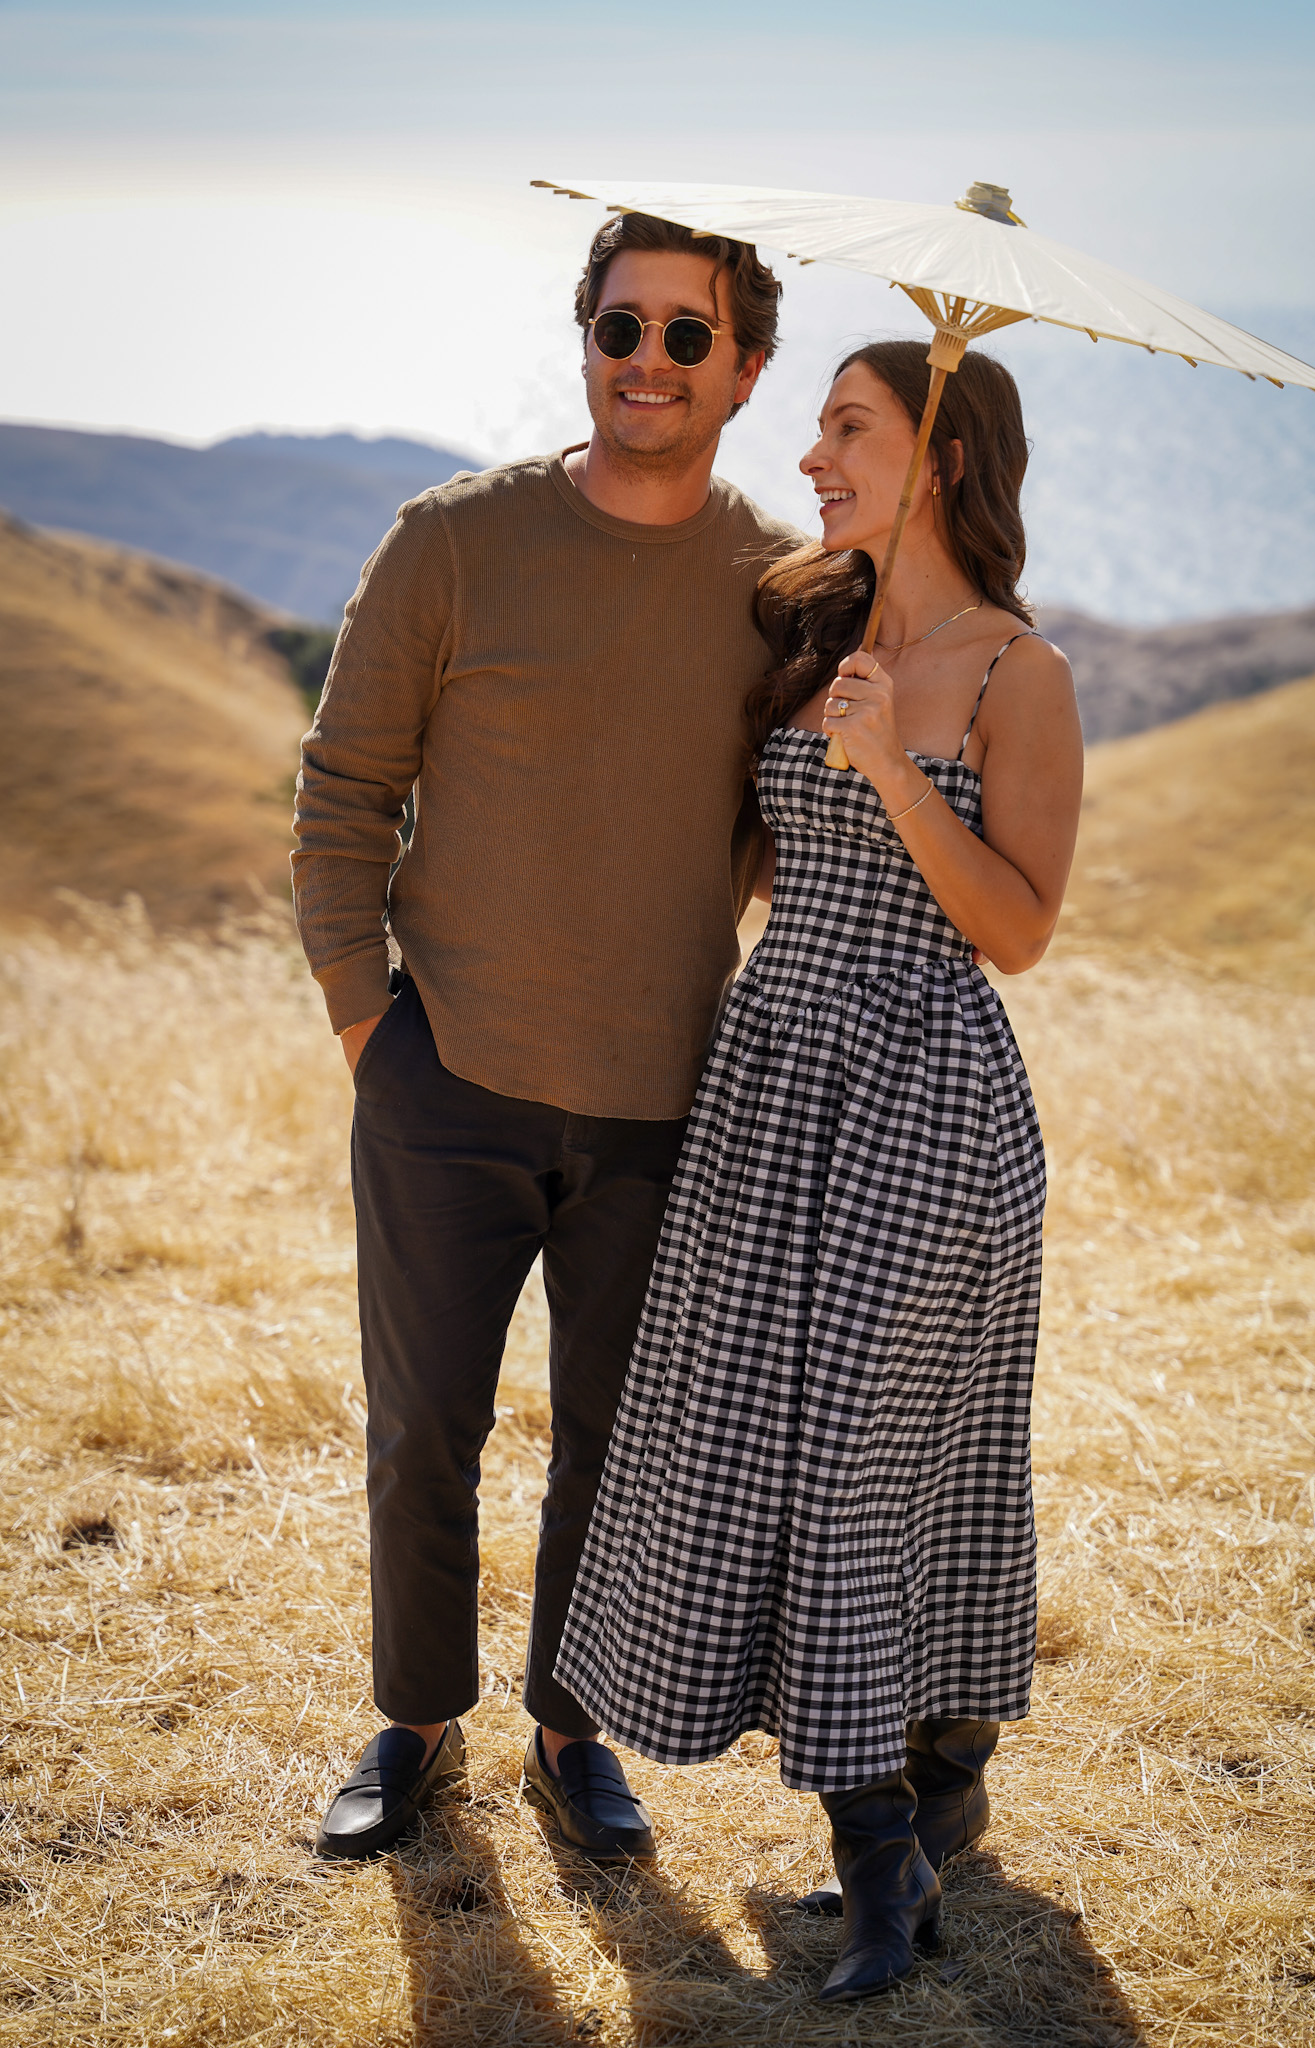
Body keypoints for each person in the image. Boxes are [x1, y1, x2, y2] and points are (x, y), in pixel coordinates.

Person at [556, 339, 1083, 2000]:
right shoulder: (815, 644)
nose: (811, 456)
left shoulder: (1018, 673)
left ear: (937, 455)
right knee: (753, 1448)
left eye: (848, 426)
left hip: (925, 1101)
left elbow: (1017, 928)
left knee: (862, 1461)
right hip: (771, 1089)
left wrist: (886, 772)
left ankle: (880, 1862)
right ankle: (922, 1793)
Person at [292, 210, 797, 1863]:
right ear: (583, 338)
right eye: (619, 326)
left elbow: (787, 826)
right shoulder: (451, 542)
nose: (646, 361)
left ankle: (572, 1730)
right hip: (443, 1078)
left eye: (685, 334)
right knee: (423, 1428)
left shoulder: (786, 589)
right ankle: (413, 1723)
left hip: (663, 1102)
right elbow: (343, 791)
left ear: (744, 368)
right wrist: (370, 1027)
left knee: (615, 1444)